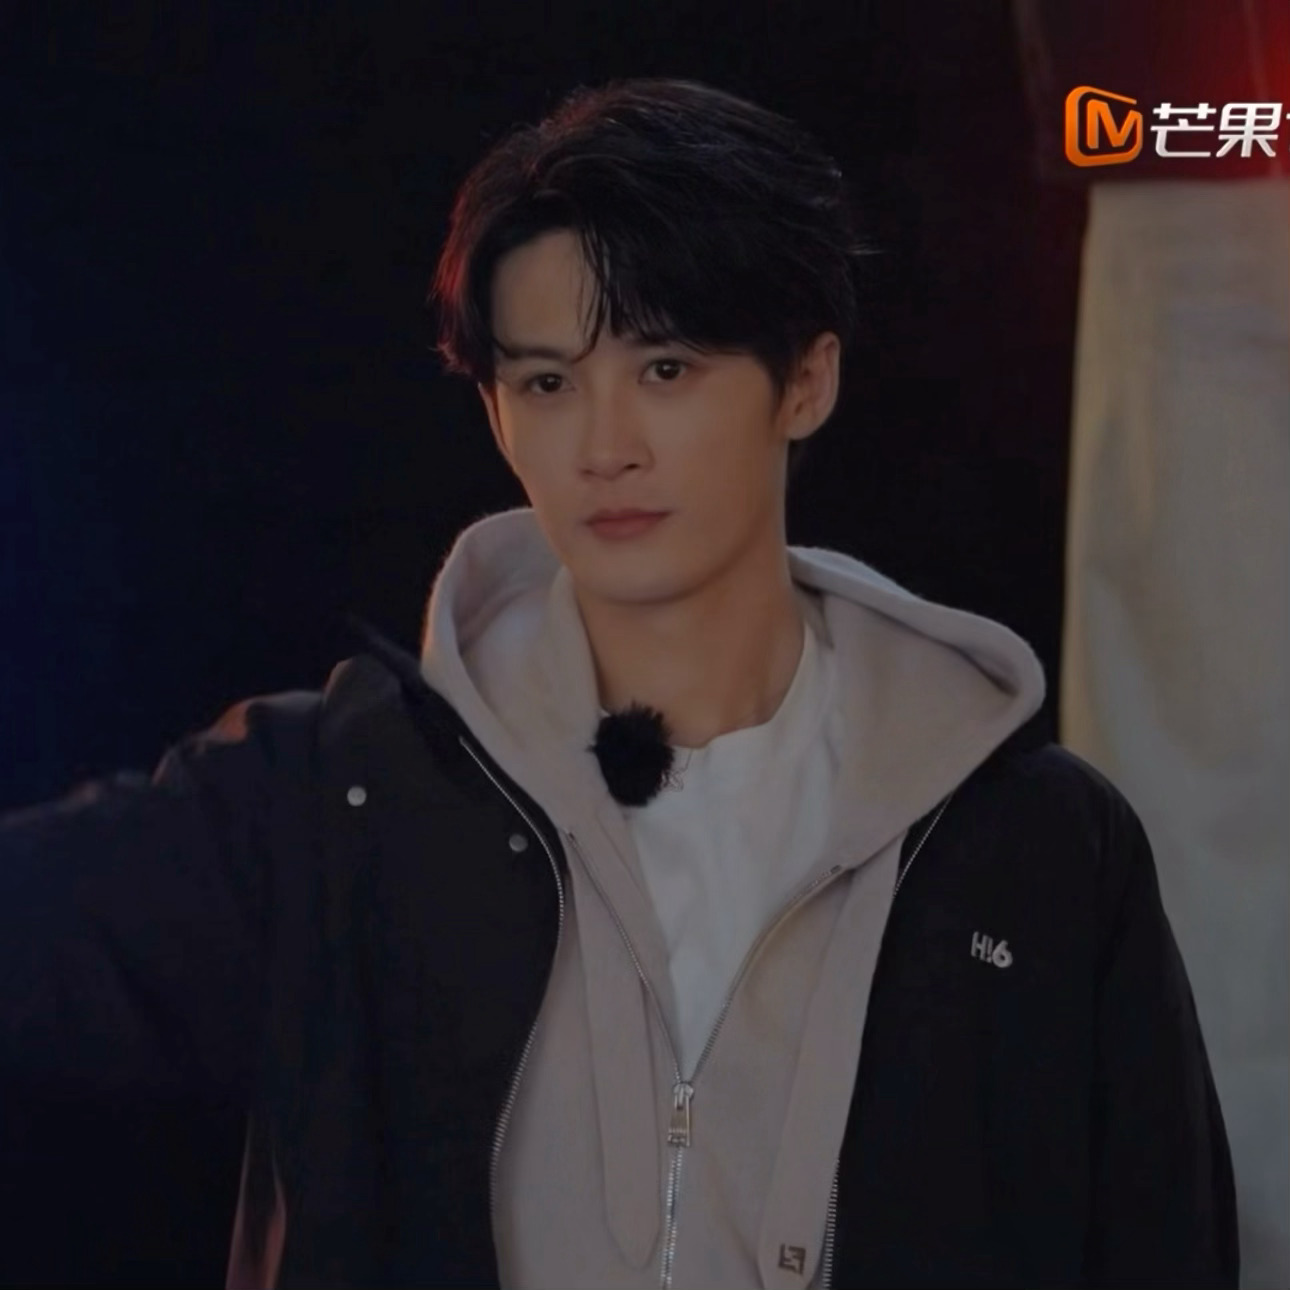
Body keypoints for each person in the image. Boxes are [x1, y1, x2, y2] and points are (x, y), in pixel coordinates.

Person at [0, 77, 1237, 1289]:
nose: (605, 447)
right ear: (498, 414)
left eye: (665, 369)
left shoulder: (1038, 843)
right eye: (549, 383)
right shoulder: (345, 798)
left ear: (806, 380)